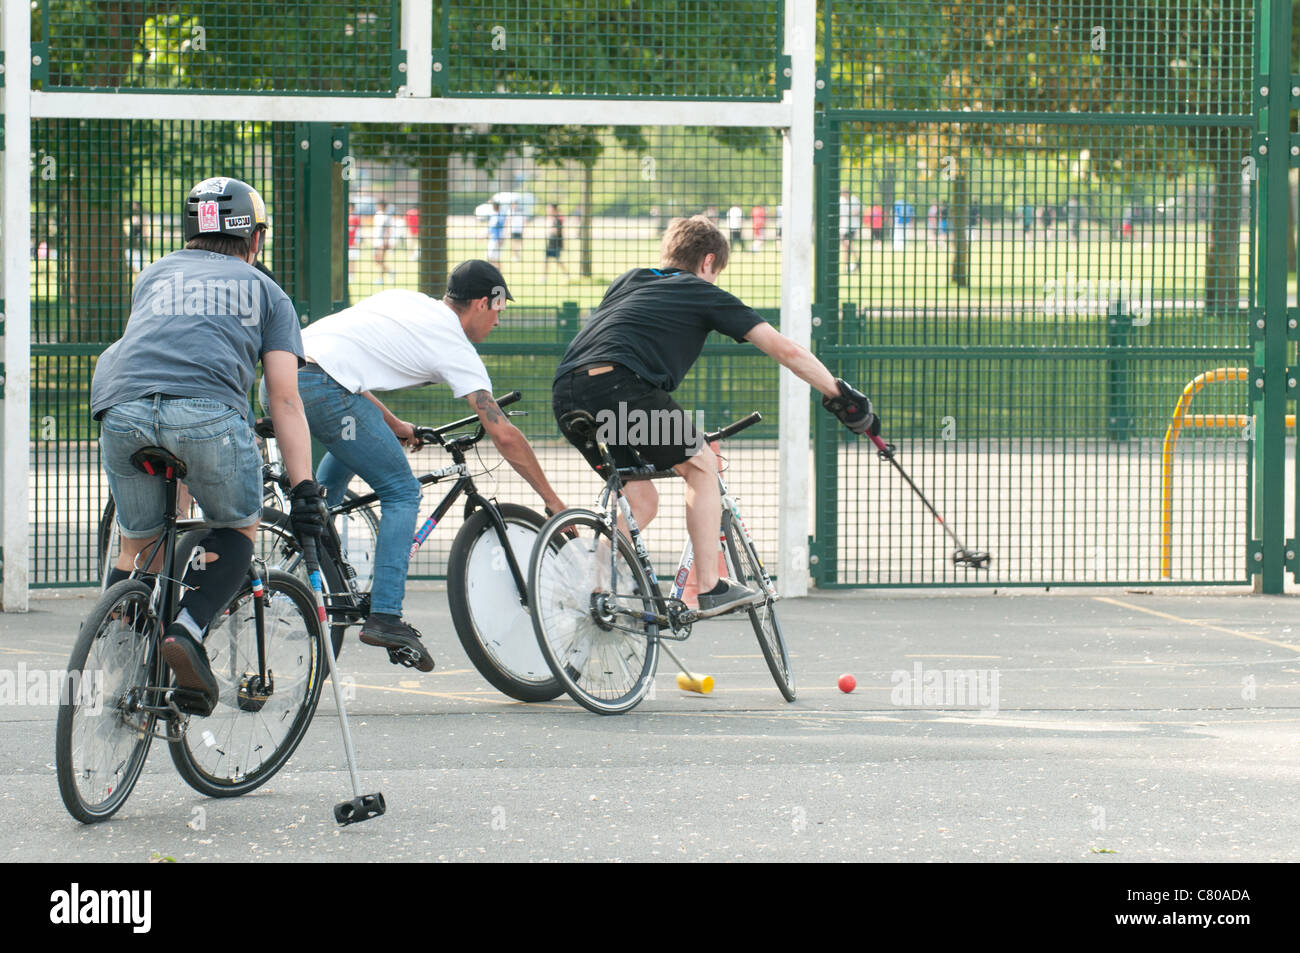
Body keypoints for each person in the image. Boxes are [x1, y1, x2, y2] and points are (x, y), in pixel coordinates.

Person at [551, 215, 879, 615]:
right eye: (715, 272)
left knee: (639, 497)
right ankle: (709, 585)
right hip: (622, 389)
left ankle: (595, 589)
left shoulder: (629, 280)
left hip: (569, 392)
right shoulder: (701, 292)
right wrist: (841, 395)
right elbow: (786, 350)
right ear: (708, 262)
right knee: (702, 464)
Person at [90, 176, 322, 715]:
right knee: (238, 524)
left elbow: (154, 353)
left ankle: (116, 649)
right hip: (207, 416)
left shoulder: (153, 274)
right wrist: (305, 486)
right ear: (256, 239)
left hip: (120, 407)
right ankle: (187, 630)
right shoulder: (267, 292)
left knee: (139, 544)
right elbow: (283, 400)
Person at [287, 260, 569, 672]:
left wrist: (396, 425)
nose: (498, 322)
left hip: (285, 378)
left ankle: (317, 562)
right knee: (403, 490)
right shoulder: (454, 345)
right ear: (482, 302)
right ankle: (385, 615)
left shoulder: (406, 302)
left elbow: (345, 366)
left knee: (346, 460)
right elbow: (504, 434)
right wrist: (553, 501)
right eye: (499, 310)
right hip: (324, 392)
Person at [372, 202, 398, 285]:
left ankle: (381, 279)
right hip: (376, 241)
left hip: (382, 242)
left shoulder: (387, 217)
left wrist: (385, 241)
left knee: (380, 259)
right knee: (377, 260)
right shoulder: (377, 215)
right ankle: (390, 271)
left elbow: (388, 230)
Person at [542, 203, 568, 282]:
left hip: (556, 242)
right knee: (546, 259)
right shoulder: (553, 218)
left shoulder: (558, 219)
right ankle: (544, 277)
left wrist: (551, 228)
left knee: (557, 259)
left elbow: (557, 231)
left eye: (549, 208)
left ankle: (566, 274)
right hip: (552, 241)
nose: (547, 210)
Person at [839, 189, 862, 271]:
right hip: (844, 227)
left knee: (847, 244)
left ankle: (849, 264)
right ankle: (853, 262)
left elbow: (859, 210)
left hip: (853, 226)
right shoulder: (841, 201)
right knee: (846, 247)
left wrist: (851, 213)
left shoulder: (854, 200)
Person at [486, 201, 505, 266]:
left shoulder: (499, 216)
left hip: (496, 240)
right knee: (490, 257)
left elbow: (500, 229)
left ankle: (498, 272)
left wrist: (500, 239)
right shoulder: (494, 215)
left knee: (493, 258)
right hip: (493, 239)